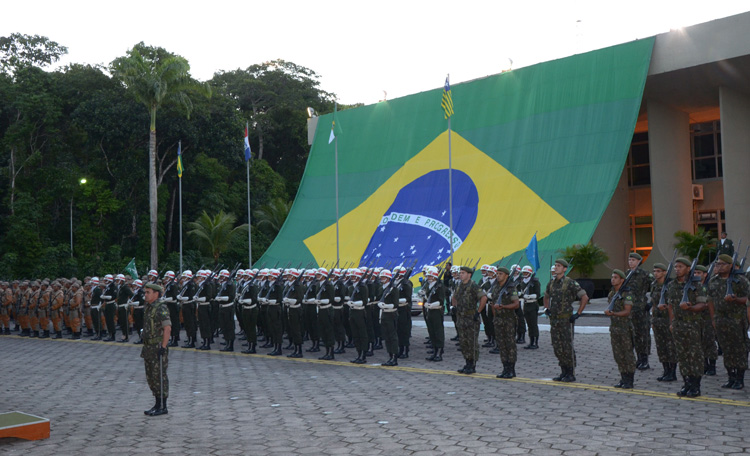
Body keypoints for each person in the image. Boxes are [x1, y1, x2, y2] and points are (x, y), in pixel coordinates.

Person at [666, 257, 707, 397]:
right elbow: (670, 306)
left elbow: (702, 305)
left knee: (694, 355)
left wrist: (690, 308)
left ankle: (695, 385)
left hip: (692, 323)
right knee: (682, 355)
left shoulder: (696, 285)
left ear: (688, 269)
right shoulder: (672, 285)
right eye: (676, 267)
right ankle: (686, 383)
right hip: (678, 324)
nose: (677, 269)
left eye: (681, 267)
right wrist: (672, 323)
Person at [707, 254, 749, 389]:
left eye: (722, 264)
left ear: (730, 266)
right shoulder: (714, 281)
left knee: (739, 349)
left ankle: (739, 379)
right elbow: (710, 301)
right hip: (720, 319)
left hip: (737, 320)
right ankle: (731, 377)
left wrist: (736, 299)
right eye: (717, 264)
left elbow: (747, 299)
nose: (719, 266)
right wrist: (713, 319)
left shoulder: (740, 280)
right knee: (726, 349)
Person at [543, 259, 589, 382]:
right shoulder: (551, 283)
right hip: (554, 320)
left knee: (567, 346)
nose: (556, 268)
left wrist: (578, 313)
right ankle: (563, 370)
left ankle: (570, 372)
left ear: (564, 269)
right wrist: (546, 308)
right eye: (555, 266)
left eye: (559, 266)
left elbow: (584, 297)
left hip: (566, 320)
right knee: (557, 346)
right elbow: (546, 296)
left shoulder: (570, 283)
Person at [141, 283, 171, 417]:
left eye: (148, 292)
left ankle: (163, 405)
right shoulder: (148, 307)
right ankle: (157, 403)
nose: (145, 295)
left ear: (156, 294)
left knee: (159, 376)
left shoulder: (161, 308)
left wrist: (163, 347)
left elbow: (167, 328)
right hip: (148, 347)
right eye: (145, 292)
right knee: (151, 377)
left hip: (157, 346)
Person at [604, 270, 636, 389]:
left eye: (616, 277)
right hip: (615, 328)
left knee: (627, 354)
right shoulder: (612, 293)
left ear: (622, 280)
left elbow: (627, 311)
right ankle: (623, 377)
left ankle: (629, 379)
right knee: (618, 354)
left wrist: (613, 314)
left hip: (625, 328)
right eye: (612, 277)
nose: (613, 279)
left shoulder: (627, 294)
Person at [453, 266, 488, 375]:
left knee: (471, 342)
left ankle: (472, 364)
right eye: (460, 273)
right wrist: (454, 307)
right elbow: (454, 297)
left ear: (469, 274)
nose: (461, 274)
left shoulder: (473, 285)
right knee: (463, 341)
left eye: (463, 273)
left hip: (471, 318)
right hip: (461, 317)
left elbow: (484, 298)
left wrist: (478, 312)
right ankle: (467, 362)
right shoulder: (459, 286)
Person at [491, 266, 520, 379]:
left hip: (508, 320)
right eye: (497, 273)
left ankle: (511, 369)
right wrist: (495, 316)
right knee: (501, 345)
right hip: (498, 320)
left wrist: (503, 306)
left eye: (501, 274)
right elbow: (493, 303)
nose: (498, 276)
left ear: (506, 276)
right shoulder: (495, 287)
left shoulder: (511, 288)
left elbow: (516, 304)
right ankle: (505, 367)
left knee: (510, 345)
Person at [625, 253, 653, 370]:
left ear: (638, 261)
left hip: (641, 309)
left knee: (643, 335)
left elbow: (657, 286)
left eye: (633, 260)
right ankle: (637, 359)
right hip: (629, 309)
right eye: (629, 260)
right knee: (632, 335)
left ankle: (644, 360)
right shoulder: (626, 274)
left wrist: (652, 303)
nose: (630, 262)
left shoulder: (644, 274)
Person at [650, 263, 677, 382]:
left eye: (659, 271)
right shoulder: (654, 285)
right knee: (661, 347)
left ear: (665, 272)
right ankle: (665, 371)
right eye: (655, 271)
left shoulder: (671, 285)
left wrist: (666, 309)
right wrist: (653, 318)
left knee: (670, 346)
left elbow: (674, 305)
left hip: (667, 319)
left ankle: (672, 372)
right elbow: (653, 303)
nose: (656, 273)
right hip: (657, 320)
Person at [423, 267, 446, 362]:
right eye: (428, 276)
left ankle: (439, 352)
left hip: (436, 311)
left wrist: (431, 305)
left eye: (430, 276)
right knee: (431, 331)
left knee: (438, 332)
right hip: (429, 311)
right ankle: (434, 350)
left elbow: (441, 301)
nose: (428, 277)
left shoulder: (440, 286)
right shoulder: (429, 285)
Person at [520, 266, 541, 350]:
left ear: (530, 273)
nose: (525, 274)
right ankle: (531, 341)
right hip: (526, 305)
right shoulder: (522, 282)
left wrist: (529, 296)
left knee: (533, 324)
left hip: (532, 304)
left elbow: (538, 294)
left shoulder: (535, 282)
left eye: (526, 273)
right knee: (529, 324)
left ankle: (535, 342)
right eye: (524, 272)